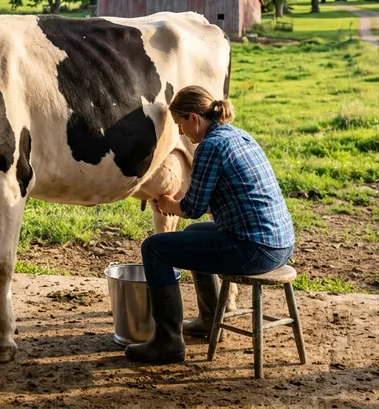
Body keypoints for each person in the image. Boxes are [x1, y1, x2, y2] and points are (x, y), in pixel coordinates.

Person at [125, 85, 295, 364]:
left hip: (254, 249)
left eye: (180, 125)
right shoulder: (238, 135)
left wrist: (168, 205)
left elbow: (192, 208)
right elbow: (203, 203)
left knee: (154, 248)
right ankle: (209, 319)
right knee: (193, 235)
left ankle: (167, 342)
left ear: (194, 118)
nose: (181, 134)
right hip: (280, 242)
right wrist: (178, 203)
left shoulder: (210, 146)